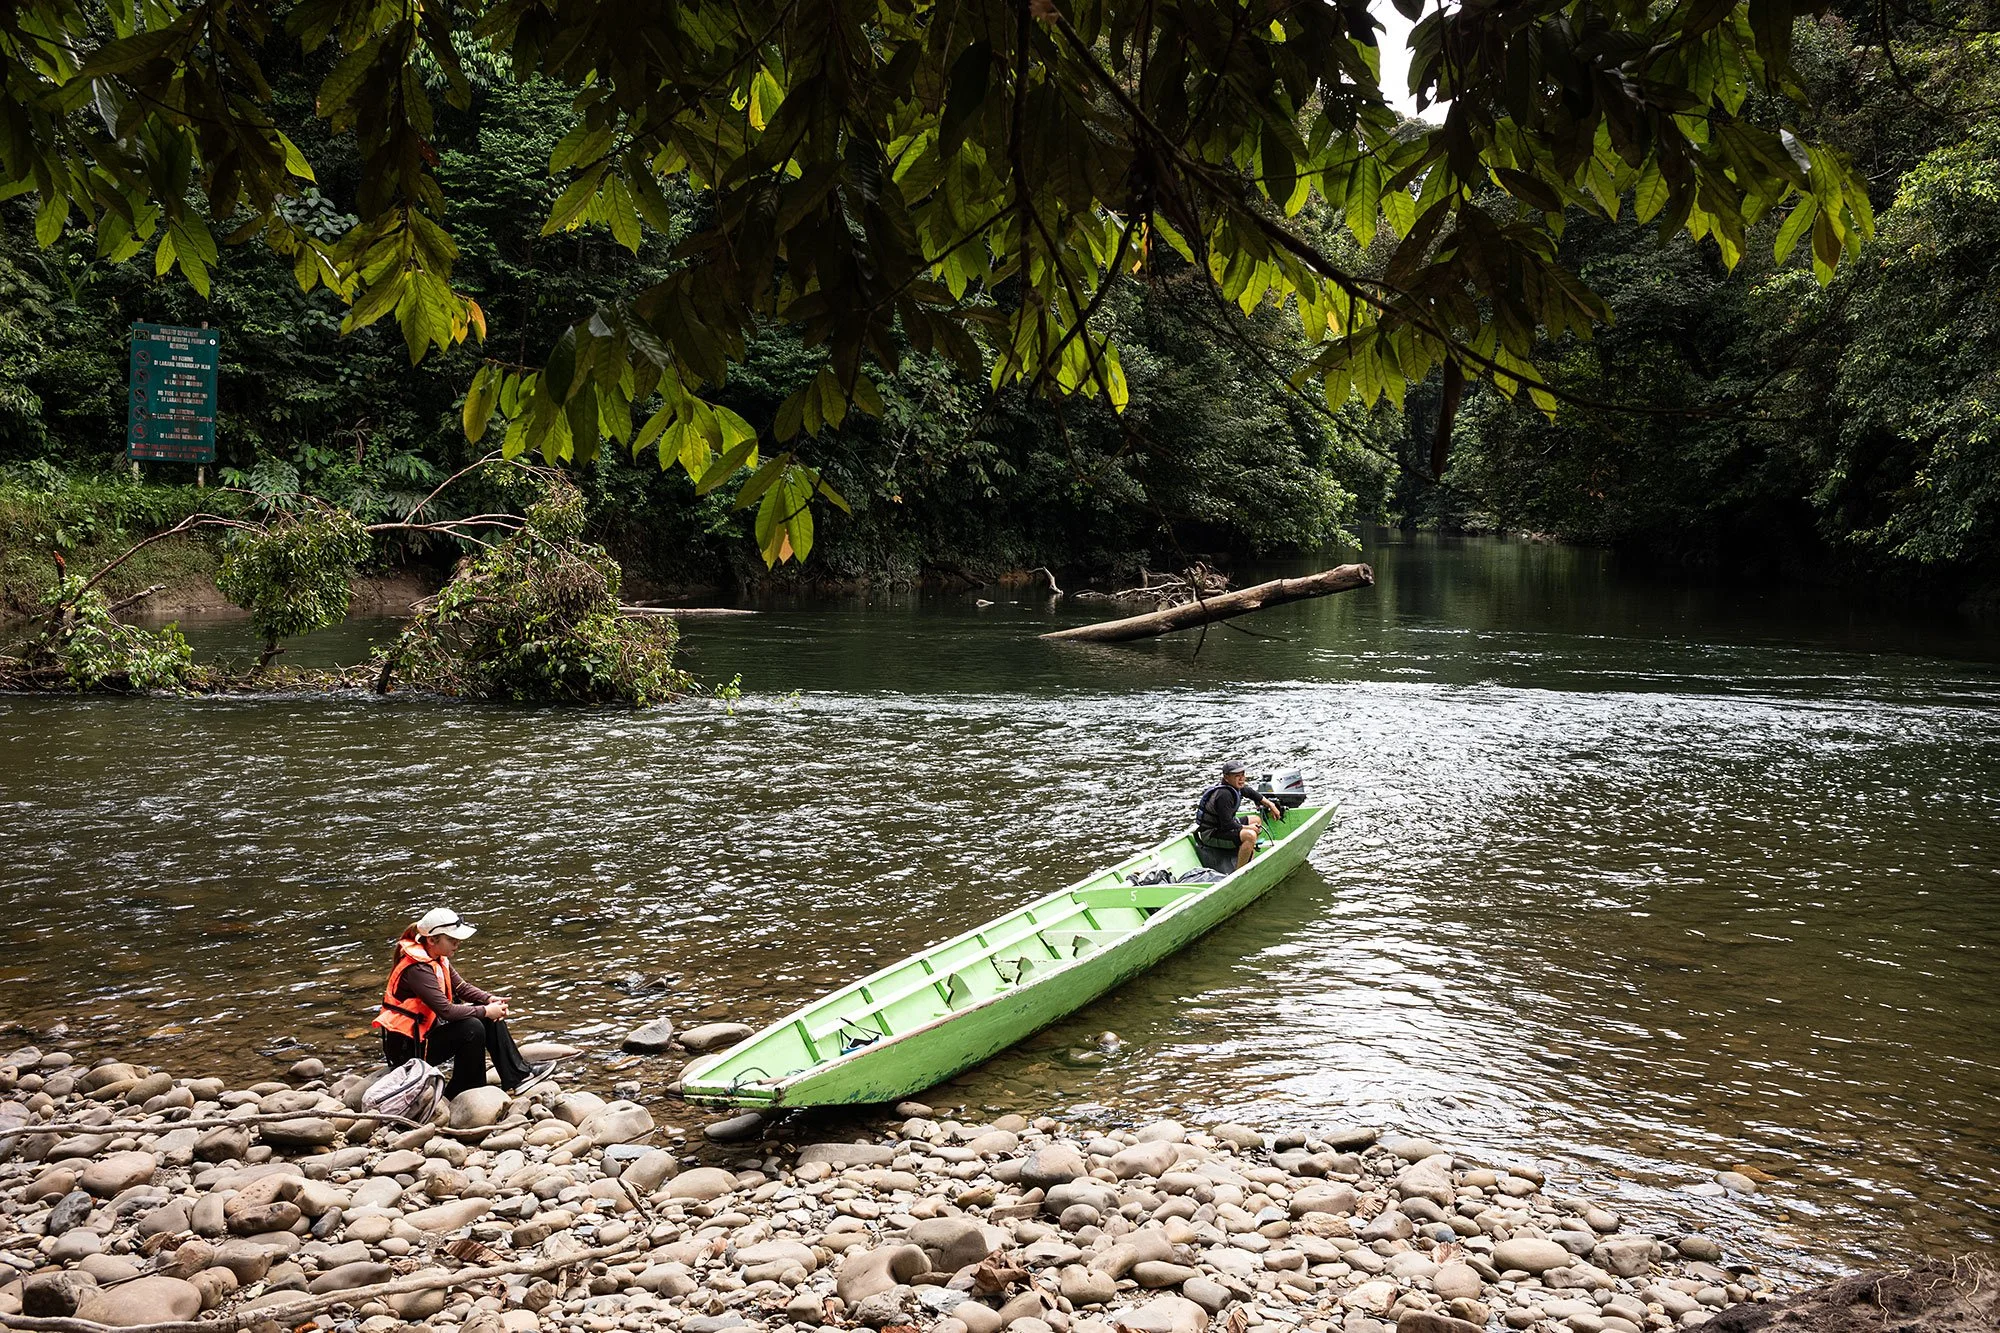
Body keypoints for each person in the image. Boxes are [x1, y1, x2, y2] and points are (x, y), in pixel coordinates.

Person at [372, 908, 541, 1098]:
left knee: (486, 1018)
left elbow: (461, 987)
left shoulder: (436, 957)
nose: (458, 944)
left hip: (425, 1036)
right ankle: (466, 1090)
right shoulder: (418, 969)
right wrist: (486, 1011)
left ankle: (519, 1076)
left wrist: (488, 999)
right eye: (452, 940)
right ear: (432, 939)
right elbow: (446, 1011)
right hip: (409, 1051)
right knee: (472, 1026)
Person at [1194, 761, 1286, 870]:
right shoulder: (1224, 795)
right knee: (1250, 835)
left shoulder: (1233, 787)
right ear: (1226, 777)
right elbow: (1227, 825)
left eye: (1243, 775)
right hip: (1211, 834)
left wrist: (1271, 805)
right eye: (1237, 776)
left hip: (1222, 828)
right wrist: (1248, 828)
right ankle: (1240, 871)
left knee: (1256, 820)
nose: (1241, 779)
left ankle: (1246, 855)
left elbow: (1251, 793)